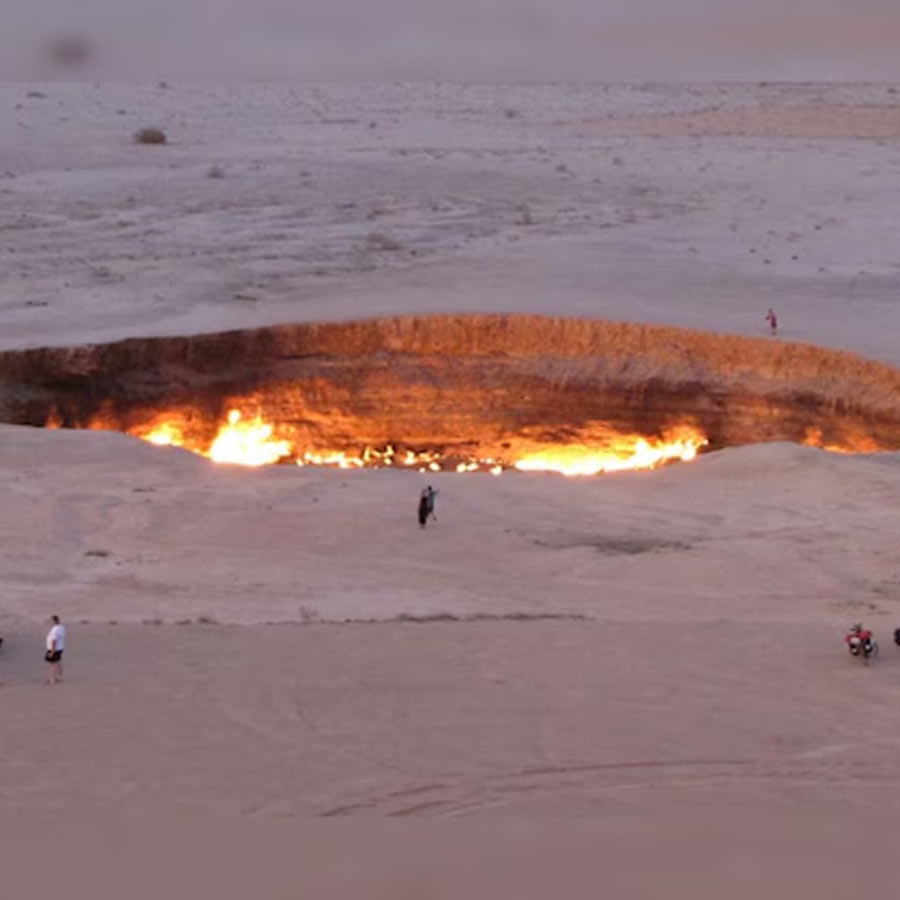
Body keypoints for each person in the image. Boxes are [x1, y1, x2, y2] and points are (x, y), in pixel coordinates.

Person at [45, 615, 65, 685]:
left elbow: (54, 641)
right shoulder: (61, 627)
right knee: (57, 663)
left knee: (52, 664)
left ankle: (52, 680)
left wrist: (52, 652)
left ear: (54, 621)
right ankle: (59, 677)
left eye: (51, 621)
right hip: (60, 648)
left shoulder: (55, 630)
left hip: (54, 649)